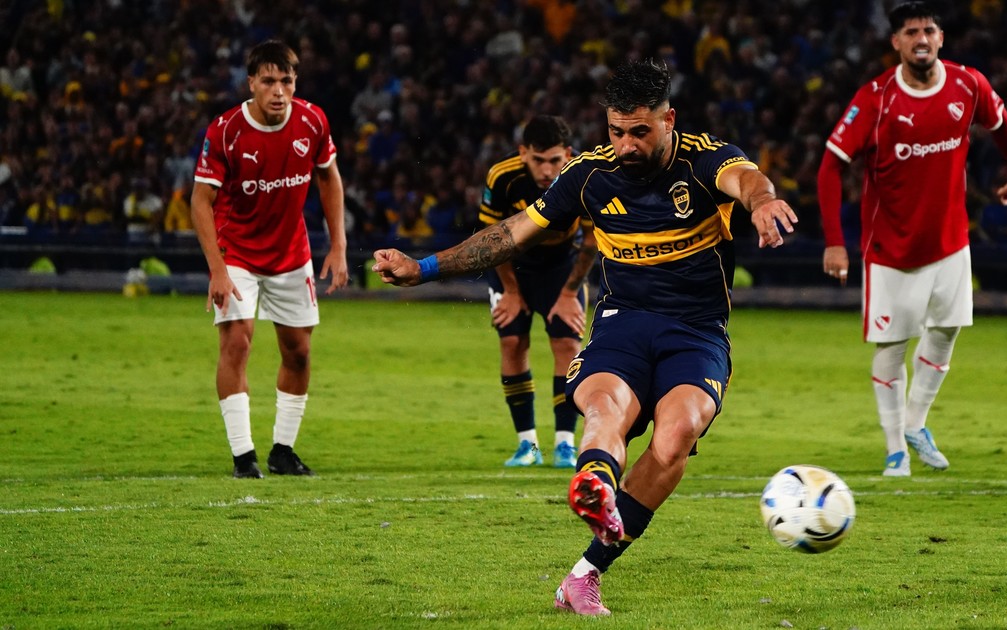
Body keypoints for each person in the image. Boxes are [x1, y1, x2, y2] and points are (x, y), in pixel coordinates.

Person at [373, 59, 797, 616]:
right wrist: (423, 268)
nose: (626, 145)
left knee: (676, 435)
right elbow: (510, 234)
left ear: (669, 119)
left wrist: (762, 202)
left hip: (696, 332)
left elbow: (746, 179)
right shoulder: (589, 174)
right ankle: (595, 484)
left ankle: (584, 574)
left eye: (640, 131)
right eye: (616, 131)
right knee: (604, 408)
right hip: (623, 325)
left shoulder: (704, 159)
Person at [817, 2, 1007, 477]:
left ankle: (915, 424)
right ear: (896, 42)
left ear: (940, 38)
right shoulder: (875, 99)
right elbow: (830, 166)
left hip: (951, 241)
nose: (921, 38)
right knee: (892, 346)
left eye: (929, 30)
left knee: (947, 330)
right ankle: (895, 449)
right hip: (891, 250)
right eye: (911, 31)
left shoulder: (967, 84)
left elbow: (1004, 129)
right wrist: (834, 240)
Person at [191, 40, 348, 479]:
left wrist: (338, 245)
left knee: (299, 353)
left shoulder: (312, 121)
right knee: (237, 343)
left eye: (286, 81)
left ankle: (283, 451)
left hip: (291, 253)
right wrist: (217, 270)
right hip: (236, 252)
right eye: (268, 81)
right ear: (251, 84)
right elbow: (200, 201)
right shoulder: (225, 131)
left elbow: (329, 178)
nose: (278, 91)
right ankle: (244, 457)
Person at [479, 114, 597, 469]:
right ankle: (527, 444)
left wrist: (568, 293)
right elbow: (491, 240)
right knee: (512, 342)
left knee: (567, 345)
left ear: (568, 154)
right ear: (523, 153)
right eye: (538, 160)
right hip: (511, 266)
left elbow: (592, 241)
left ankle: (565, 444)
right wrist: (511, 292)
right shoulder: (502, 176)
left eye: (554, 160)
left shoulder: (584, 176)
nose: (546, 170)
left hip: (562, 268)